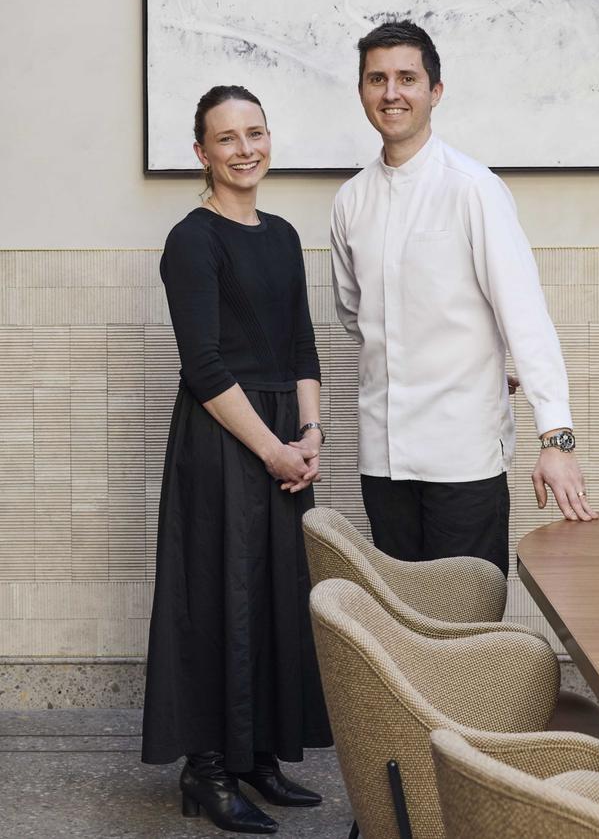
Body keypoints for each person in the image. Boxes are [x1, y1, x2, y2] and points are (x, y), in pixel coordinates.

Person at [330, 21, 598, 574]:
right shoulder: (350, 201)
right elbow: (359, 315)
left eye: (407, 77)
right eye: (376, 78)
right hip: (382, 457)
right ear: (361, 92)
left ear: (435, 91)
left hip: (464, 454)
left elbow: (524, 317)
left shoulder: (473, 188)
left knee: (466, 620)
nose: (391, 92)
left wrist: (558, 440)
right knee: (398, 621)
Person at [142, 85, 332, 835]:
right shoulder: (192, 239)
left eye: (255, 131)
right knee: (219, 599)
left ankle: (256, 757)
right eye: (227, 137)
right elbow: (205, 366)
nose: (245, 147)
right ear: (202, 153)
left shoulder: (283, 235)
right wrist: (273, 448)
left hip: (287, 436)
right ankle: (209, 768)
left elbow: (303, 345)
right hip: (225, 442)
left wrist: (310, 435)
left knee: (274, 599)